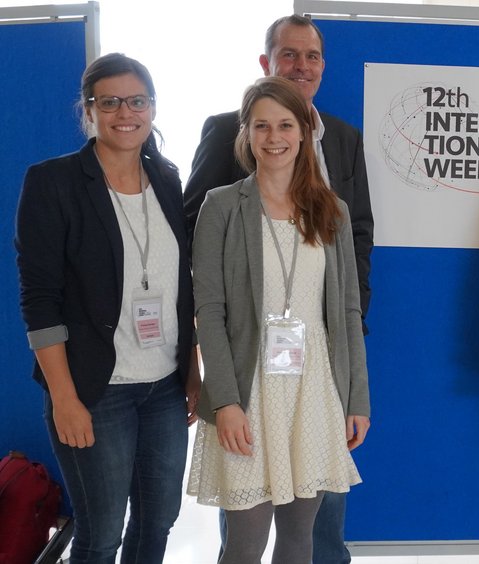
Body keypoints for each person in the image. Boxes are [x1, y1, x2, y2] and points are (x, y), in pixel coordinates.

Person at [184, 16, 373, 562]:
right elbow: (209, 310)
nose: (274, 137)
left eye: (285, 126)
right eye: (262, 126)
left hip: (314, 388)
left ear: (302, 133)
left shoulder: (329, 210)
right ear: (245, 133)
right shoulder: (222, 206)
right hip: (248, 387)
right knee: (244, 542)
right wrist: (225, 400)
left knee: (300, 539)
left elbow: (344, 308)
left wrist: (356, 396)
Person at [14, 53, 198, 563]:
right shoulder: (53, 183)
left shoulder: (165, 177)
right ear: (88, 110)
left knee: (158, 522)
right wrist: (65, 398)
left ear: (153, 109)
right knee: (101, 534)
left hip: (164, 386)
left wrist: (193, 370)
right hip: (94, 391)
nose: (125, 112)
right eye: (109, 101)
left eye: (137, 100)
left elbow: (179, 283)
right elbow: (40, 299)